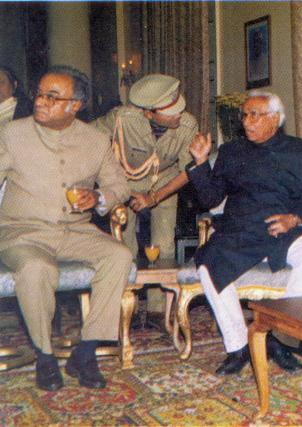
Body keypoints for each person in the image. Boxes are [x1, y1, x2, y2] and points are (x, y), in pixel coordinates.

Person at [0, 65, 132, 391]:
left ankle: (85, 354)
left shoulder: (96, 141)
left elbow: (120, 186)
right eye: (40, 94)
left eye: (53, 97)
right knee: (35, 267)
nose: (41, 102)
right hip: (22, 231)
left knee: (118, 255)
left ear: (75, 105)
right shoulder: (12, 134)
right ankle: (45, 357)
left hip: (75, 231)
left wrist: (99, 197)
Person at [188, 90, 302, 375]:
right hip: (240, 229)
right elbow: (210, 199)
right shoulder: (232, 151)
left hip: (283, 229)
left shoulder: (299, 150)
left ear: (275, 118)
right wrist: (201, 163)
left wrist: (294, 218)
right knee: (208, 264)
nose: (247, 121)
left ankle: (280, 339)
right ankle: (238, 346)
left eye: (255, 115)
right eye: (245, 115)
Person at [93, 74, 198, 312]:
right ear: (149, 113)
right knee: (123, 246)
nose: (178, 115)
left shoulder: (188, 125)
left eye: (179, 108)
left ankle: (158, 310)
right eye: (170, 112)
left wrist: (153, 198)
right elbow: (88, 137)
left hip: (165, 184)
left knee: (164, 247)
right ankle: (125, 307)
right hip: (125, 182)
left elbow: (187, 172)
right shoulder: (121, 118)